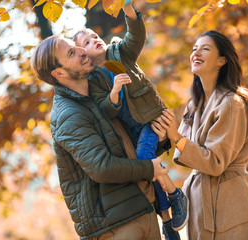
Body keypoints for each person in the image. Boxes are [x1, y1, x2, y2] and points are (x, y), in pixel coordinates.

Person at [30, 35, 171, 240]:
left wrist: (160, 138)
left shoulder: (98, 96)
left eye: (77, 46)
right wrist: (150, 169)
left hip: (141, 209)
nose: (82, 51)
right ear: (58, 73)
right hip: (116, 227)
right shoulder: (68, 114)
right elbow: (102, 168)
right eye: (72, 52)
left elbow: (127, 146)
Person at [73, 1, 188, 238]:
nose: (95, 39)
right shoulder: (93, 80)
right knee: (145, 171)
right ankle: (167, 220)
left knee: (146, 162)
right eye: (87, 42)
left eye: (94, 36)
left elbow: (136, 36)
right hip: (131, 130)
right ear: (83, 54)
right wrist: (114, 93)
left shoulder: (119, 53)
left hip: (149, 119)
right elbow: (105, 109)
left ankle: (176, 195)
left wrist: (128, 10)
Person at [155, 30, 248, 240]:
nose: (196, 53)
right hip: (199, 202)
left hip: (232, 203)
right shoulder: (194, 105)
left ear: (222, 60)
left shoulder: (232, 103)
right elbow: (184, 155)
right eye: (195, 48)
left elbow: (214, 162)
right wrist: (165, 135)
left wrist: (176, 136)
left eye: (205, 49)